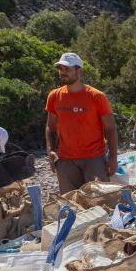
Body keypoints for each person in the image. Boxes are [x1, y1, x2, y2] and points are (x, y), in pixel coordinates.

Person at [45, 53, 117, 193]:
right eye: (60, 68)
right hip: (65, 160)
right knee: (70, 203)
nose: (63, 72)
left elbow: (110, 128)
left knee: (98, 202)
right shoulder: (54, 96)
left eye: (67, 69)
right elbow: (50, 127)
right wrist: (51, 150)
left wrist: (113, 157)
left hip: (94, 159)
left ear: (79, 71)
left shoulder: (97, 96)